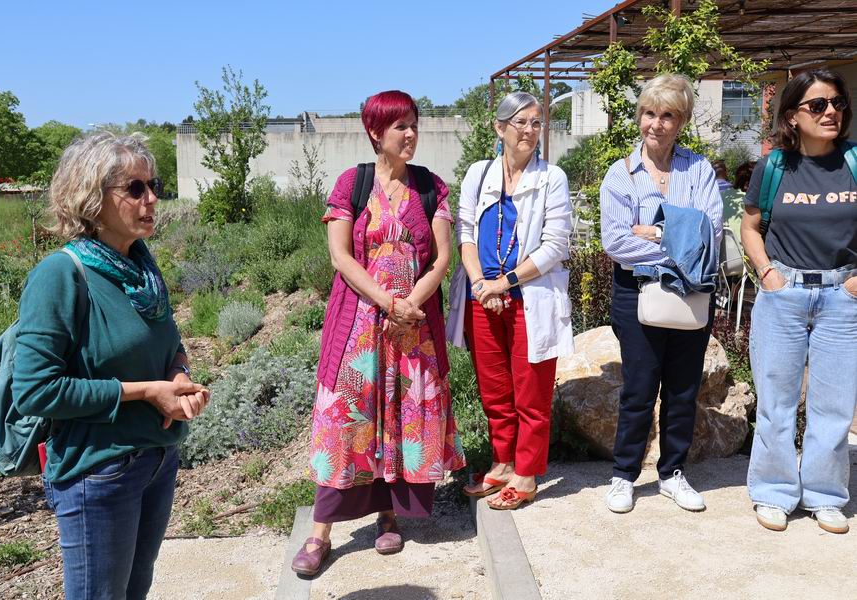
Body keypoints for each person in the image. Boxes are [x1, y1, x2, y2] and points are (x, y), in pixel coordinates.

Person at [12, 132, 210, 599]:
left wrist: (179, 376)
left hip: (157, 460)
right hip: (99, 473)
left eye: (154, 185)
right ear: (91, 198)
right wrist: (147, 392)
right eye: (135, 188)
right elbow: (35, 391)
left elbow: (170, 344)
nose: (151, 199)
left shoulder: (141, 269)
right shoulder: (61, 275)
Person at [293, 90, 465, 576]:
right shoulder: (353, 183)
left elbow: (442, 259)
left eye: (414, 125)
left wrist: (411, 304)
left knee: (402, 416)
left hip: (414, 329)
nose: (411, 134)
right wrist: (389, 302)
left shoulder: (431, 186)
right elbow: (341, 257)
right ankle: (320, 532)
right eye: (400, 127)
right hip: (359, 329)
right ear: (375, 132)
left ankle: (388, 515)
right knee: (345, 421)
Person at [599, 74, 722, 514]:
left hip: (691, 291)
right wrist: (680, 239)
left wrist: (654, 233)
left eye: (667, 115)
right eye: (649, 113)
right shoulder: (621, 174)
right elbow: (616, 243)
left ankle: (672, 473)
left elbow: (709, 231)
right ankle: (624, 475)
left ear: (681, 120)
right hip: (637, 294)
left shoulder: (699, 169)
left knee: (683, 389)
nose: (657, 123)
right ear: (640, 116)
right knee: (639, 388)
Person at [741, 68, 857, 534]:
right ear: (792, 115)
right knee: (776, 400)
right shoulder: (774, 167)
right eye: (818, 105)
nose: (831, 112)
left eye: (837, 103)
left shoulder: (854, 161)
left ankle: (825, 495)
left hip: (842, 297)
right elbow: (751, 226)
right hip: (783, 294)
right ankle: (774, 492)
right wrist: (767, 274)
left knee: (835, 404)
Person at [446, 91, 573, 510]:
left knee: (531, 393)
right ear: (499, 128)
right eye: (521, 122)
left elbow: (555, 246)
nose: (530, 131)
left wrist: (505, 283)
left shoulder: (552, 178)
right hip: (482, 296)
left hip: (529, 298)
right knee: (495, 390)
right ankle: (502, 463)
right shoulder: (478, 174)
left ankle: (526, 473)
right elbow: (465, 231)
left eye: (537, 122)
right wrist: (482, 284)